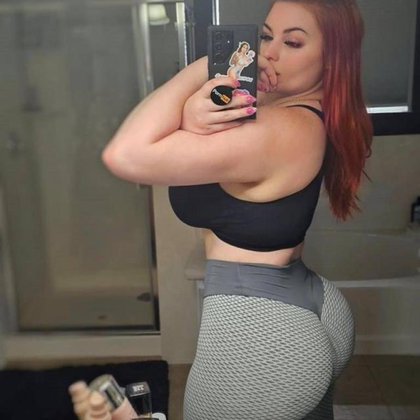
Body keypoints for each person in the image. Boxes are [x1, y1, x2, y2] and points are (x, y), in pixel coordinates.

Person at [102, 0, 373, 418]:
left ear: (333, 59)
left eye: (293, 42)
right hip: (306, 304)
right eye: (266, 36)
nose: (270, 53)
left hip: (258, 329)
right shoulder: (296, 115)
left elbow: (125, 154)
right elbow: (199, 138)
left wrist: (202, 68)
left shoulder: (278, 129)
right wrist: (193, 115)